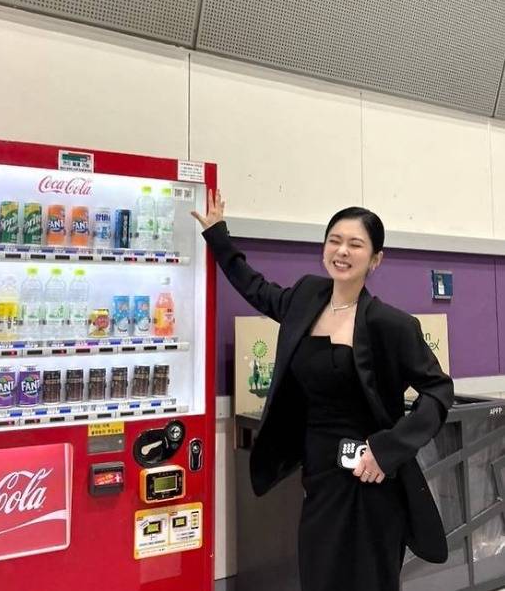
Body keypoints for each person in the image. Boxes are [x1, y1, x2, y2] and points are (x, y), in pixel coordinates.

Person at [192, 190, 454, 591]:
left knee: (368, 578)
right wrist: (218, 235)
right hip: (319, 473)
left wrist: (388, 449)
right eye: (335, 240)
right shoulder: (305, 298)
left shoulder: (391, 324)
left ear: (376, 259)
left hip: (370, 473)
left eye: (355, 244)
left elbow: (438, 391)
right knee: (320, 574)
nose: (342, 251)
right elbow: (257, 288)